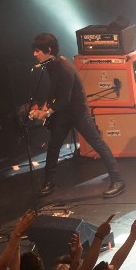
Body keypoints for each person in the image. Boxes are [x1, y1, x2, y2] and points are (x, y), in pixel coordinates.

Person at [28, 32, 125, 198]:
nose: (34, 54)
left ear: (49, 49)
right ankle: (49, 182)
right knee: (53, 145)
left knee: (97, 143)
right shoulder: (51, 64)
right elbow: (54, 91)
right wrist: (45, 107)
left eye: (38, 51)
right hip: (64, 112)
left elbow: (65, 98)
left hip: (78, 111)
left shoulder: (64, 68)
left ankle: (117, 180)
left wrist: (45, 114)